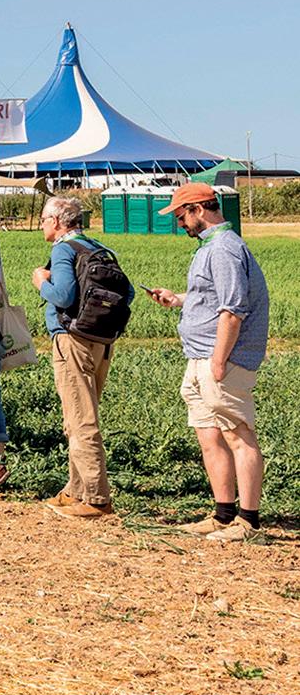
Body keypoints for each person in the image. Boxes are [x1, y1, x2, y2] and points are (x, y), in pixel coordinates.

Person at [147, 183, 269, 542]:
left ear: (199, 209)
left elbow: (233, 310)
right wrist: (178, 299)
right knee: (209, 435)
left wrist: (218, 361)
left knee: (238, 435)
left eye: (181, 216)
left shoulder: (225, 249)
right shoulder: (210, 247)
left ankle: (248, 522)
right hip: (200, 356)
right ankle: (223, 515)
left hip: (221, 359)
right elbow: (211, 297)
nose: (179, 223)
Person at [35, 194, 130, 519]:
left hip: (72, 340)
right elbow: (127, 292)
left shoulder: (63, 249)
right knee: (77, 416)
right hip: (101, 340)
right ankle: (75, 489)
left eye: (44, 220)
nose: (42, 226)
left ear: (56, 222)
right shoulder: (98, 248)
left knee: (81, 419)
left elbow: (63, 296)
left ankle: (97, 499)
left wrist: (41, 283)